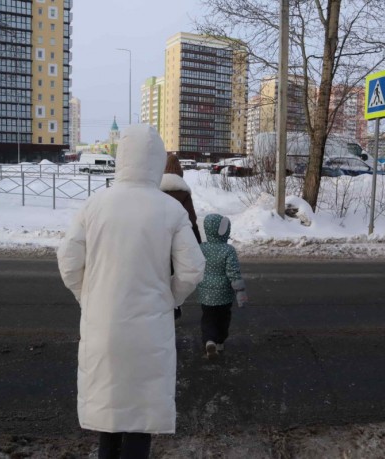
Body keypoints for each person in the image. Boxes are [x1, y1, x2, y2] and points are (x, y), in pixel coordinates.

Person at [57, 124, 206, 459]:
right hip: (150, 329)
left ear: (121, 159)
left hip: (103, 326)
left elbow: (68, 261)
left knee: (110, 414)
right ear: (155, 162)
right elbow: (193, 267)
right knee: (140, 416)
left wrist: (89, 295)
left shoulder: (94, 206)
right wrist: (171, 298)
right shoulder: (170, 209)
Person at [196, 213, 248, 359]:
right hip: (224, 294)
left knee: (208, 318)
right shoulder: (228, 250)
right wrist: (240, 290)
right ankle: (219, 341)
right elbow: (233, 272)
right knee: (223, 318)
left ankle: (209, 341)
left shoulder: (201, 248)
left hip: (205, 293)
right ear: (224, 230)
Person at [160, 154, 202, 320]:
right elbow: (191, 220)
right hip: (178, 242)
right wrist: (197, 241)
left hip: (158, 241)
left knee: (159, 275)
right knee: (176, 274)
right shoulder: (183, 193)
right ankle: (173, 306)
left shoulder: (155, 191)